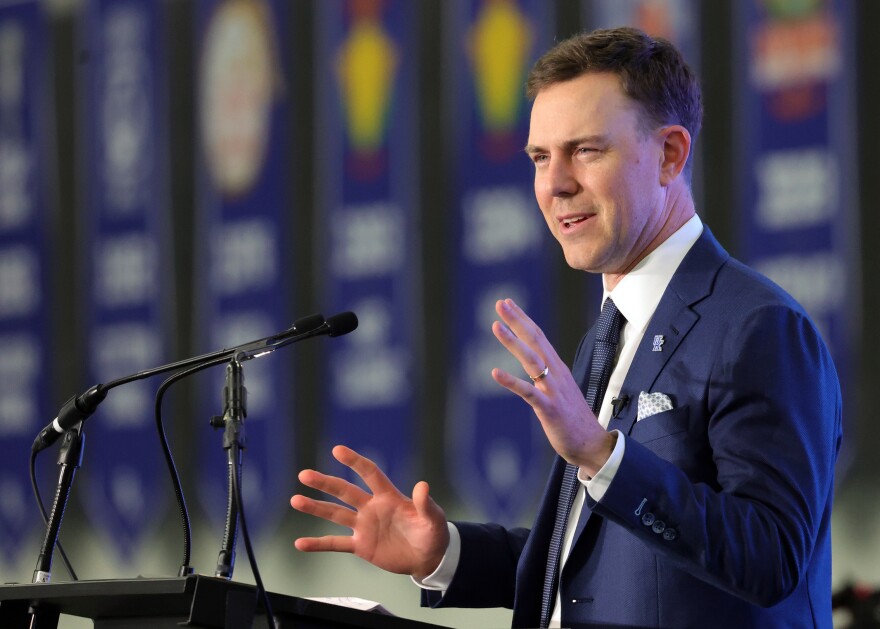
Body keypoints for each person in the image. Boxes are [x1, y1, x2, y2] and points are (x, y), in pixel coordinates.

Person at [290, 27, 841, 628]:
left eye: (586, 150)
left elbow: (771, 559)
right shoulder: (611, 332)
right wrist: (445, 552)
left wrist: (604, 456)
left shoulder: (758, 328)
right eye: (540, 157)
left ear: (670, 155)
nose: (555, 184)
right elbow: (593, 565)